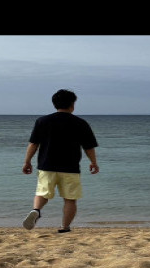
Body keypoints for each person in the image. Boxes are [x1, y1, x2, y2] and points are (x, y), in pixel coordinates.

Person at [22, 89, 99, 232]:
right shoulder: (80, 123)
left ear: (55, 104)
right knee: (70, 199)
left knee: (42, 193)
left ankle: (36, 210)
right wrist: (93, 162)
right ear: (72, 105)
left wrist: (27, 161)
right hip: (70, 167)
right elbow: (88, 147)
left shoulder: (42, 121)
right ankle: (65, 227)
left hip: (46, 166)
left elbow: (33, 144)